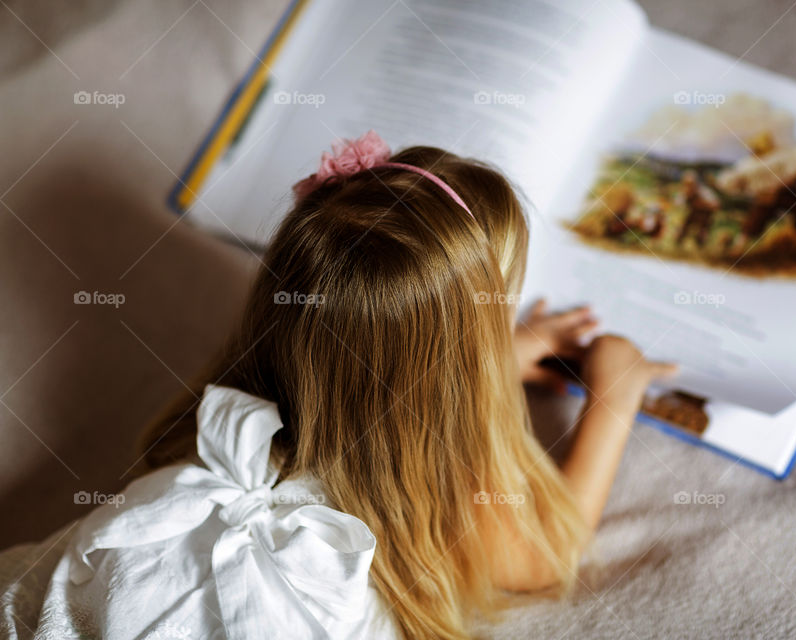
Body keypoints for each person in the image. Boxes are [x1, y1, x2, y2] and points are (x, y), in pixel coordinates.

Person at [2, 132, 674, 640]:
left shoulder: (228, 430)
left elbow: (374, 380)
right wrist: (615, 397)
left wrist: (489, 357)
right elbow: (548, 555)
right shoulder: (437, 499)